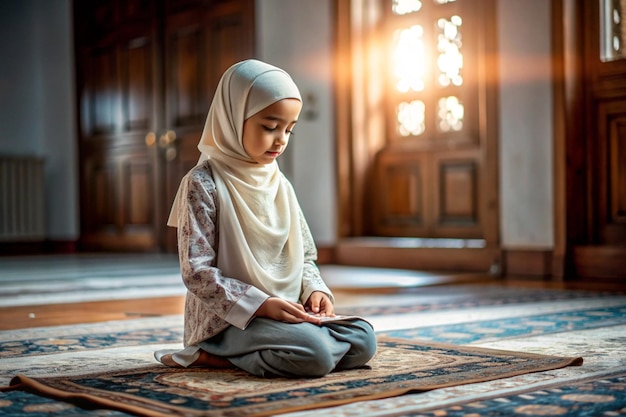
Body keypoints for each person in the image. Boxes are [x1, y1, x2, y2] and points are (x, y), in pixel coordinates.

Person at [154, 59, 377, 378]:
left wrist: (315, 292)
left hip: (286, 310)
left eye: (288, 129)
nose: (281, 139)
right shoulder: (202, 183)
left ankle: (301, 341)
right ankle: (210, 353)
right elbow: (197, 271)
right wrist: (260, 304)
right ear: (232, 117)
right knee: (313, 355)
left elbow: (306, 258)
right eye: (270, 126)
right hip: (229, 319)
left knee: (364, 339)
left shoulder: (279, 183)